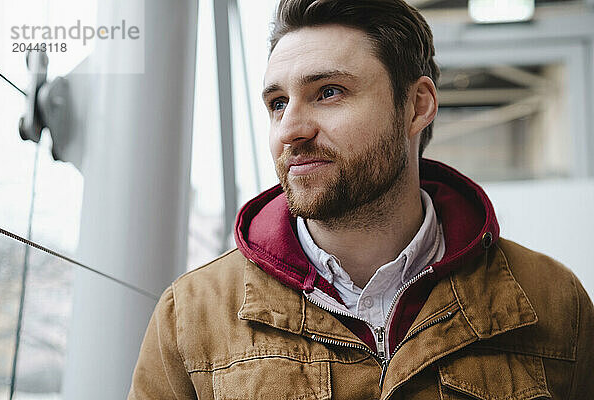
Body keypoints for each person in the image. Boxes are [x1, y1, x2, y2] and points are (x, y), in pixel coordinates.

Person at [128, 0, 594, 398]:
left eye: (328, 92)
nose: (290, 129)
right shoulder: (190, 317)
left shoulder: (553, 302)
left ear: (416, 106)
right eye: (277, 103)